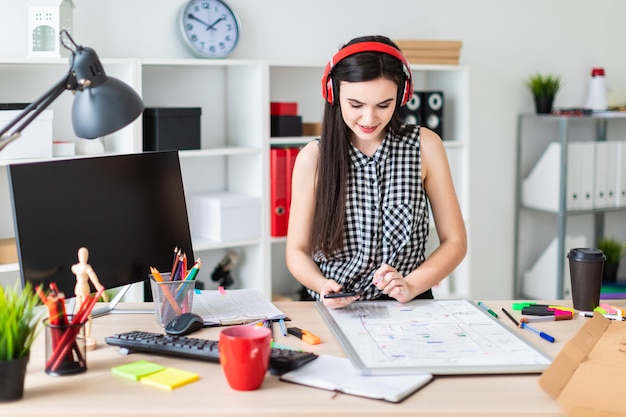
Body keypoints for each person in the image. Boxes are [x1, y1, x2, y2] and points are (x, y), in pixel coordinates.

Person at [286, 35, 467, 308]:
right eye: (356, 105)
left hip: (408, 302)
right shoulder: (313, 158)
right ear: (333, 95)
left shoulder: (426, 146)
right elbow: (296, 252)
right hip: (335, 305)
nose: (369, 119)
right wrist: (322, 286)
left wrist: (411, 284)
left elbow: (454, 241)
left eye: (384, 105)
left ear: (402, 96)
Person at [71, 246, 108, 348]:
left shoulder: (87, 269)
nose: (83, 257)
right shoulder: (77, 267)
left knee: (87, 314)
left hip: (84, 291)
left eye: (85, 255)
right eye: (81, 255)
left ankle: (86, 335)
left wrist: (102, 291)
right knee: (79, 314)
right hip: (78, 290)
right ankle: (80, 334)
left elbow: (95, 282)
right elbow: (73, 268)